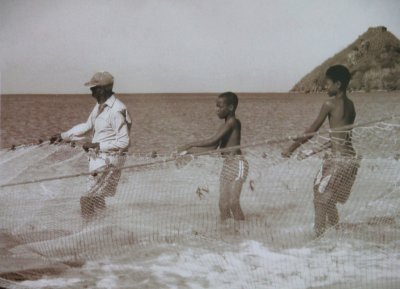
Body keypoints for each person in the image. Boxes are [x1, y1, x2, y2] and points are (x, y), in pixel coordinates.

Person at [282, 65, 360, 237]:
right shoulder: (351, 105)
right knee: (326, 197)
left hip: (338, 161)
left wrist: (291, 148)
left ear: (338, 84)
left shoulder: (329, 104)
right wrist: (312, 151)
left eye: (328, 84)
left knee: (320, 198)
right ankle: (336, 233)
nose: (325, 87)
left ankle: (318, 239)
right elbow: (340, 139)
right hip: (350, 160)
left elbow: (312, 130)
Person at [50, 71, 131, 220]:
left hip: (109, 162)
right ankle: (103, 229)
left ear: (103, 89)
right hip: (98, 160)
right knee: (98, 198)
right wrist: (63, 136)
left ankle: (87, 232)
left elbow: (124, 141)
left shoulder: (116, 110)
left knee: (86, 199)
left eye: (94, 87)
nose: (91, 90)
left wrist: (98, 145)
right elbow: (88, 125)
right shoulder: (99, 106)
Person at [178, 92, 249, 228]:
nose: (216, 109)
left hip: (238, 163)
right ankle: (226, 230)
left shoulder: (233, 122)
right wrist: (188, 152)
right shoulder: (224, 126)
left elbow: (213, 140)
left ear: (230, 108)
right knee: (222, 205)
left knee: (233, 202)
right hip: (227, 166)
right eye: (216, 106)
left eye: (220, 106)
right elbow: (212, 147)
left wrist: (189, 144)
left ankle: (243, 231)